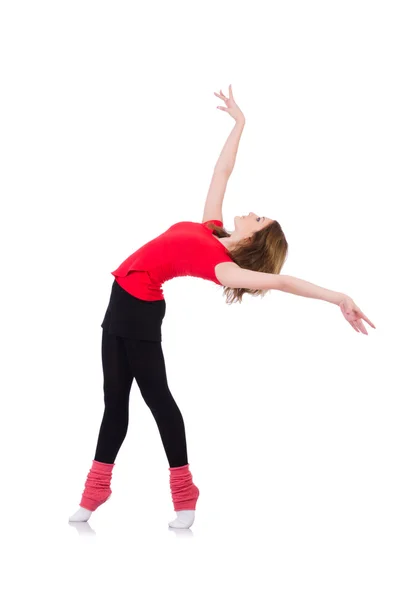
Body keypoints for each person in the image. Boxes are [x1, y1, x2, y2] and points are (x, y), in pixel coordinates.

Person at [69, 85, 376, 529]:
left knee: (158, 402)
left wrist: (339, 297)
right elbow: (222, 172)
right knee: (114, 401)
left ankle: (179, 491)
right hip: (119, 303)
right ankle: (98, 490)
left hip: (138, 312)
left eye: (259, 218)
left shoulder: (222, 267)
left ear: (254, 239)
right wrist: (240, 124)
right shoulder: (211, 229)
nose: (252, 213)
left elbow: (283, 280)